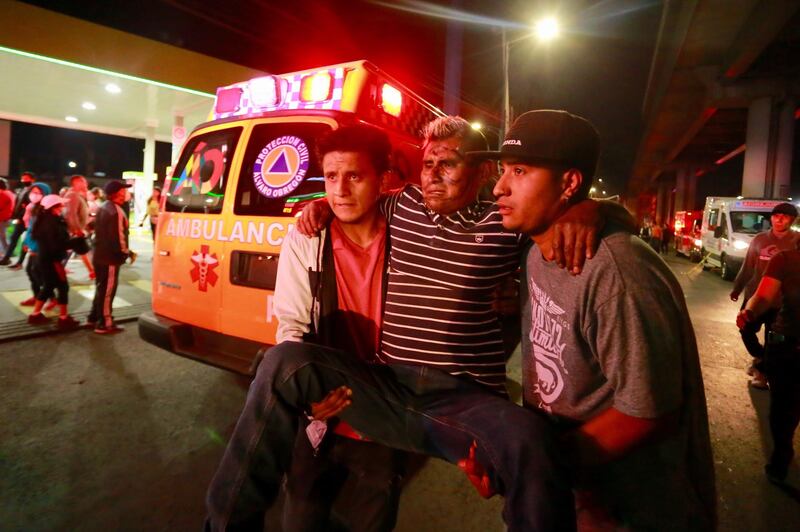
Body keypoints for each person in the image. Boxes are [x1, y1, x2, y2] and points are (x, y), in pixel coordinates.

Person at [204, 116, 607, 531]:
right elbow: (347, 201)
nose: (434, 175)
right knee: (284, 363)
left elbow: (553, 218)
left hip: (464, 402)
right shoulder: (403, 205)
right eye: (428, 164)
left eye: (449, 164)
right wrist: (319, 204)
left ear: (483, 171)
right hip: (387, 389)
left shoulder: (505, 224)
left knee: (532, 440)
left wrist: (592, 210)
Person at [471, 110, 716, 530]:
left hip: (626, 509)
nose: (499, 187)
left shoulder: (617, 272)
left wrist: (533, 466)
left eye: (520, 170)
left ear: (569, 183)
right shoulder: (534, 252)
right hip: (563, 493)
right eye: (502, 170)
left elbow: (648, 412)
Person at [274, 124, 408, 531]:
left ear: (382, 178)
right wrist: (307, 396)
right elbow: (291, 324)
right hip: (321, 414)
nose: (341, 190)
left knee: (372, 520)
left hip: (385, 417)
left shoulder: (408, 234)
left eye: (355, 175)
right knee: (301, 518)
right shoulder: (305, 240)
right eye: (331, 177)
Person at [737, 243, 800, 485]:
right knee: (784, 411)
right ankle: (782, 453)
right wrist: (749, 312)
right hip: (788, 349)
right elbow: (763, 295)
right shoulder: (785, 259)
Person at [730, 202, 799, 389]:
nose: (780, 219)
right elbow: (748, 266)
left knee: (773, 337)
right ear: (771, 218)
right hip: (755, 296)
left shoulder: (796, 241)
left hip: (781, 301)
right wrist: (737, 288)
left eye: (785, 216)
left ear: (792, 220)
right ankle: (760, 357)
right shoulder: (760, 240)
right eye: (776, 216)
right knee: (745, 329)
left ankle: (762, 372)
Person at [26, 194, 81, 329]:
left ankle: (35, 315)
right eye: (60, 205)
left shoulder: (44, 219)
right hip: (52, 260)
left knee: (48, 286)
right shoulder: (52, 223)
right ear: (53, 207)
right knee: (63, 287)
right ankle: (63, 318)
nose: (63, 207)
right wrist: (74, 241)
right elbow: (56, 244)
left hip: (45, 258)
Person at [88, 180, 135, 334]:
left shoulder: (103, 208)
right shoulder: (116, 211)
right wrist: (125, 253)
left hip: (99, 255)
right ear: (117, 193)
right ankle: (105, 323)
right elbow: (119, 237)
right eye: (124, 191)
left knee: (101, 288)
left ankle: (94, 317)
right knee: (108, 291)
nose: (126, 194)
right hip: (109, 258)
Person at [18, 182, 52, 307]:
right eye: (33, 192)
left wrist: (36, 247)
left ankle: (50, 298)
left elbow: (43, 231)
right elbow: (30, 228)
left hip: (41, 247)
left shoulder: (46, 209)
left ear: (46, 194)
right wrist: (26, 242)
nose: (34, 195)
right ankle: (37, 296)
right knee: (31, 271)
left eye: (38, 193)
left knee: (38, 272)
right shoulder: (34, 207)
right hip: (33, 245)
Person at [0, 171, 36, 267]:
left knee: (26, 240)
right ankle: (7, 258)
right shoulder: (22, 190)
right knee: (14, 238)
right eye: (23, 179)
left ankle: (20, 262)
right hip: (20, 219)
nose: (24, 180)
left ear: (32, 180)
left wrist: (22, 214)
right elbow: (19, 205)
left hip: (28, 220)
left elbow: (28, 206)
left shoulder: (34, 191)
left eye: (26, 179)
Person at [64, 174, 95, 279]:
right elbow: (71, 214)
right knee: (83, 250)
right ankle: (92, 271)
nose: (85, 183)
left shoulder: (76, 195)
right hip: (74, 231)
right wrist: (76, 229)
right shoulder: (72, 195)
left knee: (80, 251)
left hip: (75, 230)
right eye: (83, 181)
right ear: (76, 183)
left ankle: (91, 271)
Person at [0, 177, 15, 256]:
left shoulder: (2, 194)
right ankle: (5, 253)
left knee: (3, 237)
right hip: (6, 218)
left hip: (2, 218)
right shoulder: (9, 193)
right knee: (3, 237)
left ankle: (7, 254)